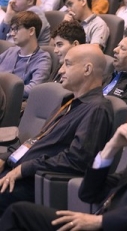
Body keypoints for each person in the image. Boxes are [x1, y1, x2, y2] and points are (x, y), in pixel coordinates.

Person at [0, 84, 127, 231]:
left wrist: (100, 222)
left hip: (112, 226)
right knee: (19, 212)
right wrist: (110, 149)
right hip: (98, 223)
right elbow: (89, 193)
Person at [0, 44, 113, 214]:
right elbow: (38, 141)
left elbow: (77, 160)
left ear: (87, 69)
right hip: (17, 170)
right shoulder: (69, 102)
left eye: (67, 64)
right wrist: (7, 157)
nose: (60, 70)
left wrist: (25, 168)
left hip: (38, 182)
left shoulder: (96, 109)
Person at [0, 11, 52, 100]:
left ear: (31, 31)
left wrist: (6, 90)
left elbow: (33, 89)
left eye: (16, 29)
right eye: (12, 29)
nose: (12, 33)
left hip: (11, 104)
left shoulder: (42, 59)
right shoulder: (10, 51)